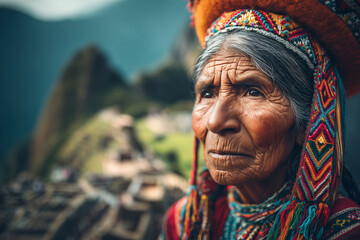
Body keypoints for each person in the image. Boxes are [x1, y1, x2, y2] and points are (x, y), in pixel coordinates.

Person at [162, 0, 360, 239]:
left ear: (308, 121)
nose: (215, 121)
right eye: (207, 93)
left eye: (253, 92)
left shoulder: (342, 231)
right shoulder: (185, 222)